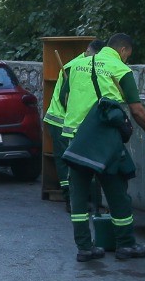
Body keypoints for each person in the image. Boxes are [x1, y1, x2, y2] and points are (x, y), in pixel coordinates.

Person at [60, 34, 145, 261]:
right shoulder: (119, 68)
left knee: (79, 196)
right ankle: (125, 244)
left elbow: (64, 98)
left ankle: (85, 247)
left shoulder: (75, 65)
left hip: (76, 139)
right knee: (117, 191)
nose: (126, 59)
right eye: (127, 55)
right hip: (105, 140)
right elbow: (137, 110)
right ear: (123, 50)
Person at [43, 39, 105, 197]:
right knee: (65, 159)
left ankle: (80, 194)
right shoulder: (74, 66)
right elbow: (66, 98)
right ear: (89, 51)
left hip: (69, 120)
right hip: (60, 119)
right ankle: (68, 194)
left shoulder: (82, 65)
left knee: (75, 158)